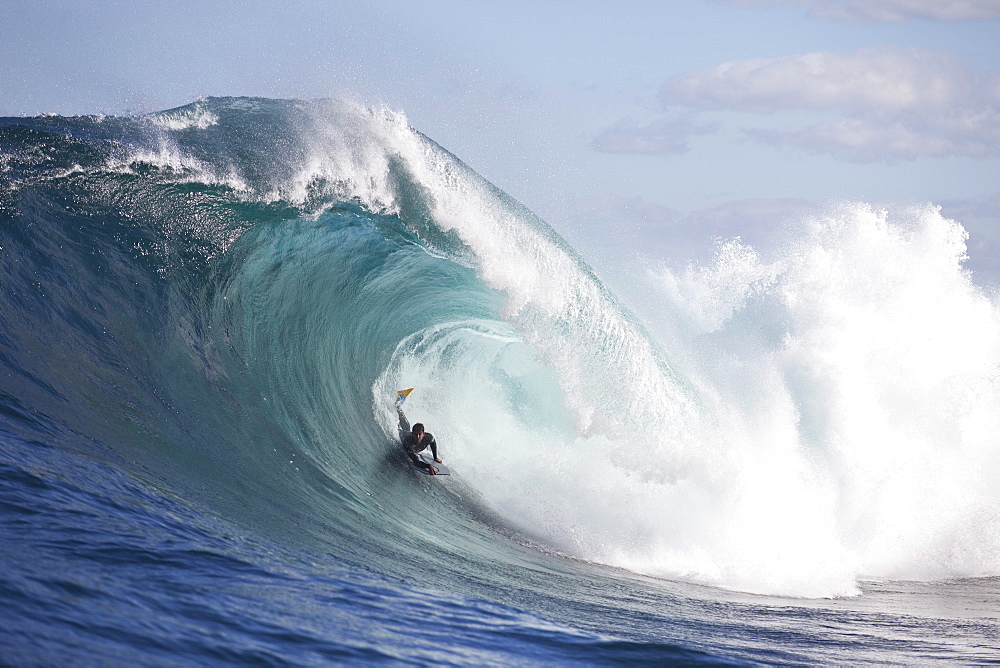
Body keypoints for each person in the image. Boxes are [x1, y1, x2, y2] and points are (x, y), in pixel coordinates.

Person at [397, 406, 442, 475]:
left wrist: (435, 457)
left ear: (424, 434)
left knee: (407, 426)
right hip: (403, 434)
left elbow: (433, 442)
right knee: (403, 428)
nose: (417, 437)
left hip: (408, 433)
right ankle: (398, 408)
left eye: (419, 434)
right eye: (415, 434)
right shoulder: (409, 445)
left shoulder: (428, 437)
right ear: (413, 434)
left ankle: (398, 407)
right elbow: (416, 462)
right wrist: (428, 466)